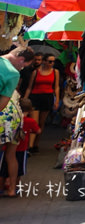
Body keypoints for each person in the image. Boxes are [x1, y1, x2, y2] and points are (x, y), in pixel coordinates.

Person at [0, 46, 35, 197]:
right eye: (23, 65)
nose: (22, 68)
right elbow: (4, 101)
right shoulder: (14, 73)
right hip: (10, 117)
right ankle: (12, 189)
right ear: (21, 60)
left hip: (7, 117)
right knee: (10, 154)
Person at [1, 97, 39, 195]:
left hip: (6, 144)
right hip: (21, 148)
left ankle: (1, 187)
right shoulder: (29, 121)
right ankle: (14, 188)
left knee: (3, 167)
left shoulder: (12, 117)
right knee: (17, 168)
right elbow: (38, 131)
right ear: (30, 109)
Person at [24, 53, 60, 153]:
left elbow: (56, 87)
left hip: (47, 97)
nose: (51, 63)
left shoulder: (55, 72)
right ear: (44, 61)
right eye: (49, 61)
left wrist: (56, 100)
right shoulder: (36, 72)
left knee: (41, 123)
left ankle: (35, 144)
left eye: (53, 61)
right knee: (34, 122)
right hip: (35, 97)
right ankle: (30, 146)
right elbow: (29, 87)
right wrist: (25, 100)